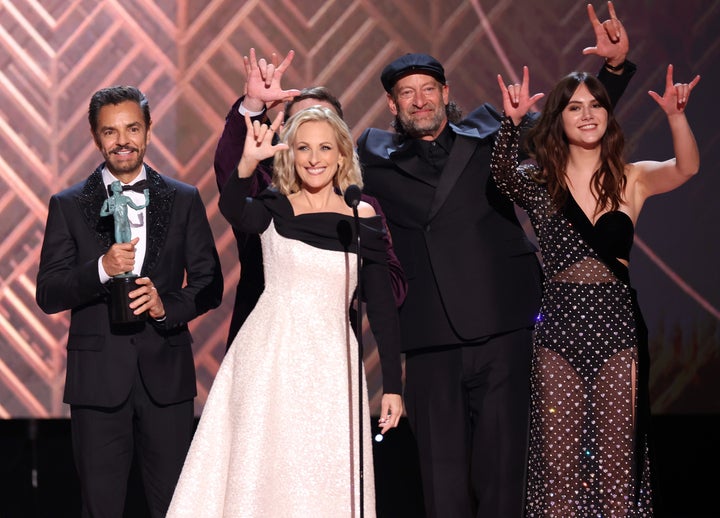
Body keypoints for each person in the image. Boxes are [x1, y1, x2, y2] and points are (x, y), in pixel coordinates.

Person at [355, 3, 635, 516]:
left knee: (505, 475)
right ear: (392, 105)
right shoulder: (371, 156)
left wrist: (612, 72)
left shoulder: (492, 129)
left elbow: (572, 132)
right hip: (429, 335)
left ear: (446, 94)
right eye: (406, 94)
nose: (419, 101)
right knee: (441, 486)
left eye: (428, 89)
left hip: (503, 325)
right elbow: (309, 170)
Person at [167, 105, 404, 517]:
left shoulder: (360, 215)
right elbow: (232, 208)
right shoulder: (273, 206)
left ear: (342, 155)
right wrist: (245, 163)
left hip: (333, 364)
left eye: (325, 147)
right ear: (290, 154)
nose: (314, 158)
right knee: (264, 468)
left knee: (323, 472)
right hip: (270, 357)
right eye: (303, 148)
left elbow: (382, 306)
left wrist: (394, 385)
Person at [492, 63, 700, 515]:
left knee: (617, 465)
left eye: (596, 105)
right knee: (559, 465)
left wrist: (676, 117)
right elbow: (501, 178)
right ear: (558, 119)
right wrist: (509, 124)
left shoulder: (632, 177)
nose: (587, 115)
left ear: (608, 114)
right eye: (574, 107)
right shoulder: (539, 179)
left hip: (616, 329)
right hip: (559, 330)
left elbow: (686, 168)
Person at [35, 85, 224, 518]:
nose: (122, 140)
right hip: (97, 382)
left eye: (132, 128)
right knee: (100, 508)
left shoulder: (183, 198)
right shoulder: (67, 205)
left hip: (166, 375)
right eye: (110, 131)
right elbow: (49, 292)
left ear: (149, 130)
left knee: (176, 506)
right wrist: (100, 268)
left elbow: (209, 283)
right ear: (94, 136)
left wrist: (166, 306)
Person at [214, 48, 407, 349]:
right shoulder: (266, 192)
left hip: (332, 348)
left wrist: (335, 271)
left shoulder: (360, 206)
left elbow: (393, 288)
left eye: (325, 126)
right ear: (287, 140)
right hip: (262, 345)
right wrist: (252, 107)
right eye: (304, 125)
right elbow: (232, 173)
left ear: (341, 141)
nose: (315, 140)